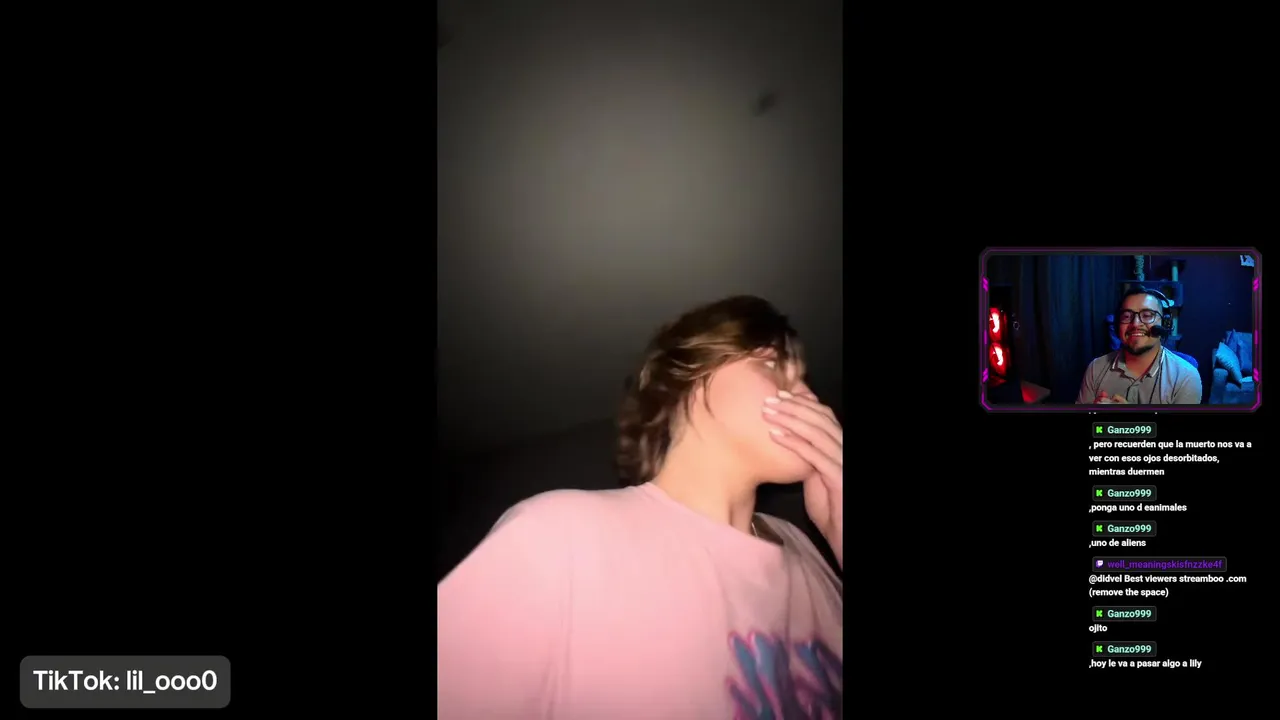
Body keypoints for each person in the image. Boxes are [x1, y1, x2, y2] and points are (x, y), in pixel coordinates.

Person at [437, 295, 843, 719]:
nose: (810, 396)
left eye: (805, 380)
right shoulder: (559, 536)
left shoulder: (807, 549)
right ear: (689, 377)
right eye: (772, 365)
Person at [1077, 287, 1202, 404]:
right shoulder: (1095, 368)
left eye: (1147, 316)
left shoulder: (1186, 377)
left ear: (1165, 323)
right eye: (1126, 316)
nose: (1135, 324)